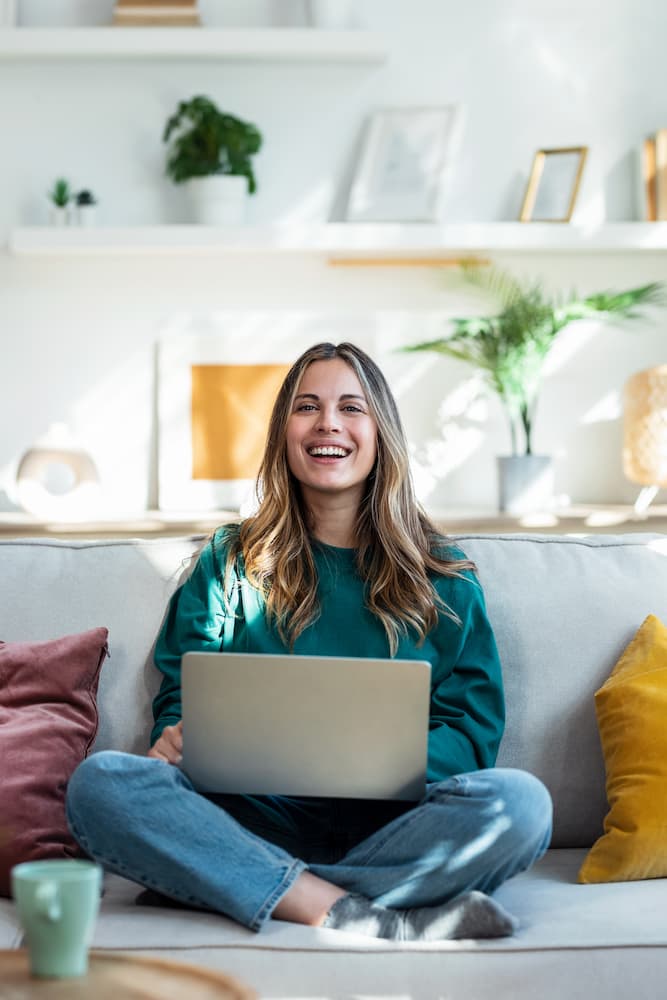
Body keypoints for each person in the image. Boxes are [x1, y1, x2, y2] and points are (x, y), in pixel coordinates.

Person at [66, 341, 552, 941]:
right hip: (245, 817)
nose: (329, 423)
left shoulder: (443, 576)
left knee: (523, 804)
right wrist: (176, 740)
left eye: (352, 407)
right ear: (283, 433)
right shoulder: (229, 561)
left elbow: (472, 735)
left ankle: (259, 888)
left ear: (381, 434)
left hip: (394, 827)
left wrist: (372, 765)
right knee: (101, 784)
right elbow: (182, 698)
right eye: (307, 407)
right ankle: (357, 912)